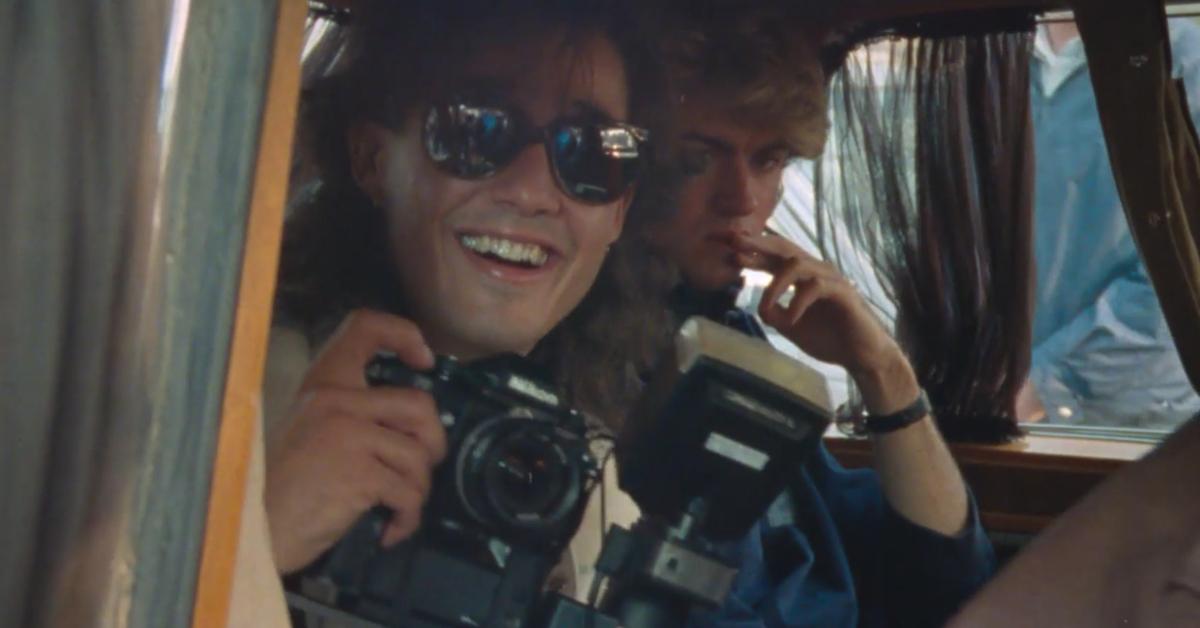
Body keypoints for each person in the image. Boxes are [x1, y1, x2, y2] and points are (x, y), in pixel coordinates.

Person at [251, 0, 672, 593]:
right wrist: (260, 539)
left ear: (618, 212)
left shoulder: (599, 495)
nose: (531, 191)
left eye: (591, 152)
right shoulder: (229, 405)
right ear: (373, 160)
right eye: (478, 127)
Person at [645, 6, 995, 626]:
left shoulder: (731, 335)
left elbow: (948, 578)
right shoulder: (617, 362)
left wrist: (883, 370)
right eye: (698, 160)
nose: (742, 200)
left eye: (769, 160)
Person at [1017, 19, 1200, 428]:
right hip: (1017, 411)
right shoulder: (989, 51)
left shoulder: (1185, 59)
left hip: (1140, 422)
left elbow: (1185, 263)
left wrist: (1047, 380)